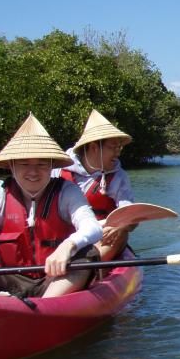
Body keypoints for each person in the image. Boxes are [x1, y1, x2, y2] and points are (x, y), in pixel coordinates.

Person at [0, 113, 102, 298]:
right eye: (24, 164)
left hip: (55, 279)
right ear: (12, 166)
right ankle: (5, 303)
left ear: (52, 165)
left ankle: (43, 307)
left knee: (87, 253)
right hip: (8, 279)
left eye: (42, 164)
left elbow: (93, 228)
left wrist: (68, 245)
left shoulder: (67, 191)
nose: (33, 172)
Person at [53, 109, 134, 261]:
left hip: (101, 238)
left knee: (122, 231)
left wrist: (121, 226)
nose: (118, 153)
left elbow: (128, 212)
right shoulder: (58, 170)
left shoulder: (118, 176)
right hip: (63, 236)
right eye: (113, 147)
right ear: (94, 147)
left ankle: (90, 267)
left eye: (119, 147)